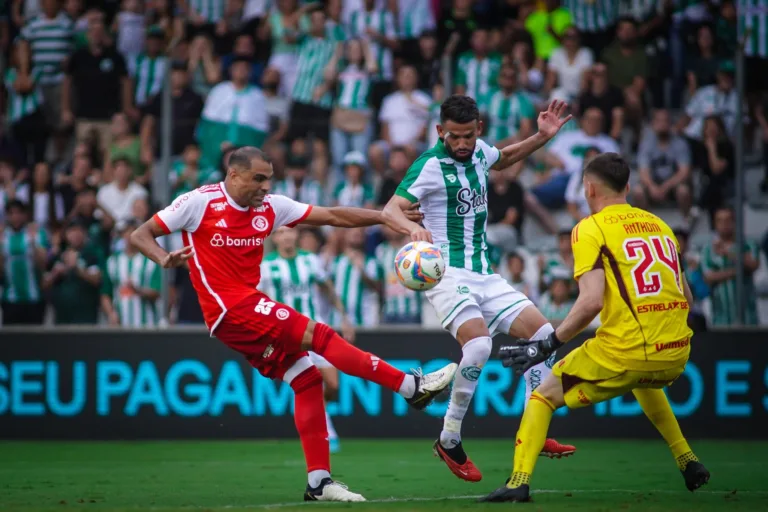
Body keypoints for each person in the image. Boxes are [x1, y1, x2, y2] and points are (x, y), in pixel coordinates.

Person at [129, 146, 457, 502]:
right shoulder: (198, 202)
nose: (266, 187)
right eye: (258, 178)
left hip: (241, 313)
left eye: (269, 178)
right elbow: (141, 234)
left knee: (307, 379)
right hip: (230, 307)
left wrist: (383, 217)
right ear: (233, 175)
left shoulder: (270, 208)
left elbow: (333, 216)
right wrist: (163, 257)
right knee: (320, 335)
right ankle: (410, 387)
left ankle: (319, 482)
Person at [484, 152, 709, 502]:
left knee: (543, 395)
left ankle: (518, 482)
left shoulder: (590, 228)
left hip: (628, 350)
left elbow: (590, 302)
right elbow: (689, 299)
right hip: (677, 352)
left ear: (588, 189)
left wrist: (549, 343)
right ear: (629, 187)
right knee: (641, 380)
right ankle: (687, 459)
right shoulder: (661, 225)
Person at [382, 95, 576, 483]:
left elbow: (505, 157)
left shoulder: (480, 153)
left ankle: (533, 430)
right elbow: (390, 209)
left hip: (485, 274)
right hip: (446, 273)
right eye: (454, 136)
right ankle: (449, 438)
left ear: (478, 131)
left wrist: (542, 137)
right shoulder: (430, 165)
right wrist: (412, 229)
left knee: (542, 336)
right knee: (480, 345)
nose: (462, 144)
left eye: (468, 136)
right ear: (440, 131)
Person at [259, 225, 355, 454]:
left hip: (315, 329)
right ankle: (325, 431)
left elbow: (327, 288)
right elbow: (258, 301)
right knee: (309, 385)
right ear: (275, 238)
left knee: (332, 384)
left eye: (289, 232)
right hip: (288, 336)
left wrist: (343, 317)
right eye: (281, 233)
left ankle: (323, 417)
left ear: (296, 235)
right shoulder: (266, 267)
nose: (286, 236)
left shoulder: (310, 260)